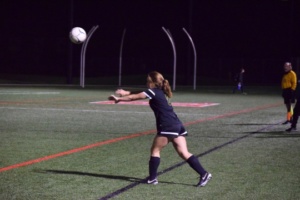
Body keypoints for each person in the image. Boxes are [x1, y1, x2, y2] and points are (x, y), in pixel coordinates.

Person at [108, 71, 212, 187]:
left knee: (155, 151)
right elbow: (140, 94)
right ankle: (204, 174)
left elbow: (134, 97)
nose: (146, 82)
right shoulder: (161, 91)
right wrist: (125, 93)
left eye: (148, 80)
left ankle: (152, 179)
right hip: (177, 125)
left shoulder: (154, 92)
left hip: (167, 126)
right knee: (184, 152)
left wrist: (119, 98)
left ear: (152, 82)